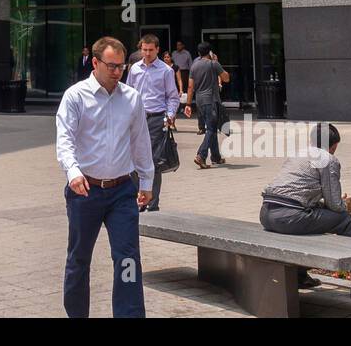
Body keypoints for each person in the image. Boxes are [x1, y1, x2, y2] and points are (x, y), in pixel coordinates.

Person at [55, 36, 153, 319]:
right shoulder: (75, 96)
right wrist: (73, 173)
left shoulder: (131, 98)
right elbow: (65, 141)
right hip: (85, 190)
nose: (117, 72)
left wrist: (146, 182)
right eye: (111, 66)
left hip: (122, 190)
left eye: (121, 66)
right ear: (95, 62)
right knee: (79, 259)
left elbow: (141, 142)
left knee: (127, 259)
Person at [259, 123, 351, 301]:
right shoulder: (328, 159)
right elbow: (334, 204)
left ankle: (300, 274)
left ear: (312, 140)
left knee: (315, 219)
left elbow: (301, 193)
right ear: (333, 145)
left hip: (267, 214)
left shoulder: (299, 154)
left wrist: (334, 203)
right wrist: (344, 205)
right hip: (290, 217)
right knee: (344, 220)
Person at [128, 34, 179, 213]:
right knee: (134, 160)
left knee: (154, 162)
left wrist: (170, 115)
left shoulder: (166, 70)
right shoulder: (134, 69)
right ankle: (139, 198)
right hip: (136, 118)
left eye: (150, 50)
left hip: (157, 119)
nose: (147, 53)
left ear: (157, 49)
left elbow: (172, 97)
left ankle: (152, 202)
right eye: (144, 49)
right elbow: (127, 93)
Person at [186, 42, 229, 168]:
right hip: (210, 100)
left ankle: (216, 157)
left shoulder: (194, 66)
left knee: (212, 127)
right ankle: (201, 155)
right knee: (211, 129)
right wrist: (217, 61)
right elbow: (226, 78)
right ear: (210, 52)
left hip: (199, 101)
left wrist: (188, 104)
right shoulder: (213, 64)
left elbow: (190, 86)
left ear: (198, 53)